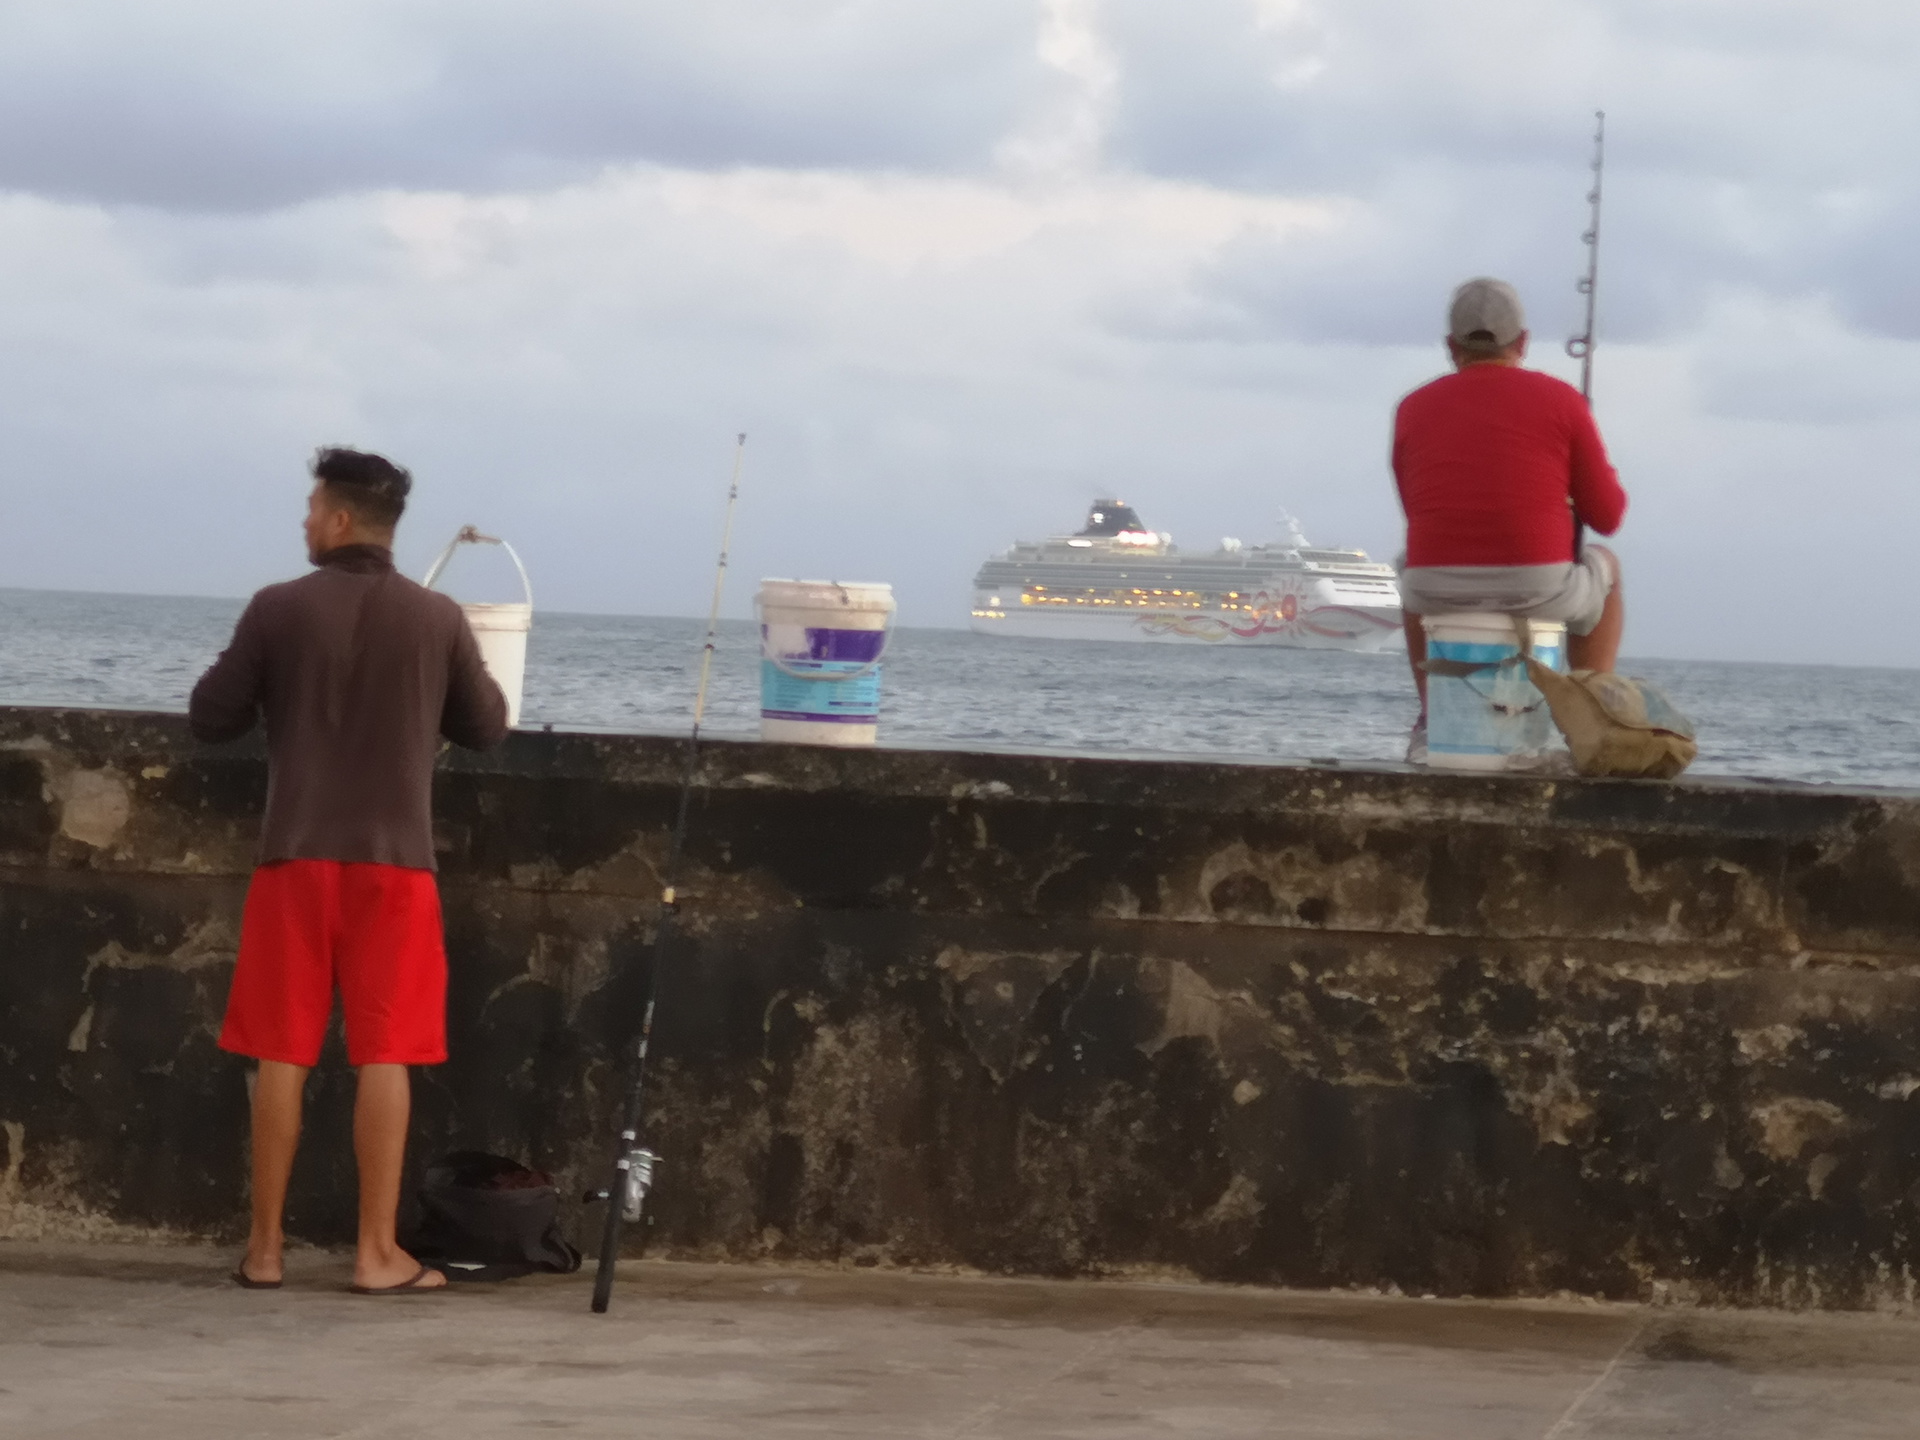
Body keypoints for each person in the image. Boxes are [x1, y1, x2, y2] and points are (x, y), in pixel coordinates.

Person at [190, 448, 509, 1294]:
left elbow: (209, 716)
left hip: (293, 856)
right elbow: (487, 727)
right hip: (395, 866)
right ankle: (375, 1254)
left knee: (280, 1053)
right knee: (385, 1054)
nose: (303, 519)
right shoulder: (437, 618)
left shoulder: (277, 609)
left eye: (310, 507)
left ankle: (264, 1251)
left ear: (337, 520)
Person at [1392, 278, 1629, 753]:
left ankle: (1431, 719)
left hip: (1437, 587)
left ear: (1450, 346)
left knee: (1408, 570)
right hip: (1540, 588)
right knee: (1607, 566)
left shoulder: (1412, 408)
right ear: (1522, 341)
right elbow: (1607, 517)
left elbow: (1416, 509)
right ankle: (1594, 721)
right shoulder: (1563, 401)